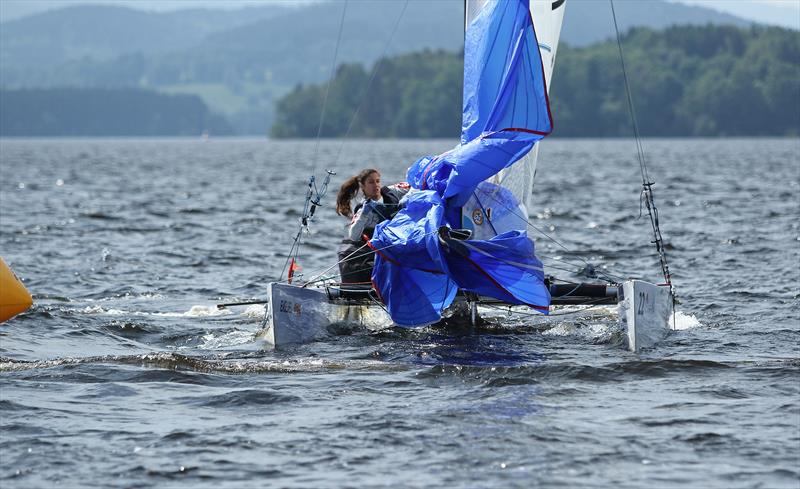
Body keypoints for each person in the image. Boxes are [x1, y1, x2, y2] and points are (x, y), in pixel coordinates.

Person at [335, 168, 409, 284]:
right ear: (362, 186)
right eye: (371, 182)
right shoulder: (363, 209)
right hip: (376, 249)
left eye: (378, 181)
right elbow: (353, 236)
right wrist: (364, 214)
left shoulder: (392, 191)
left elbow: (413, 187)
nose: (376, 185)